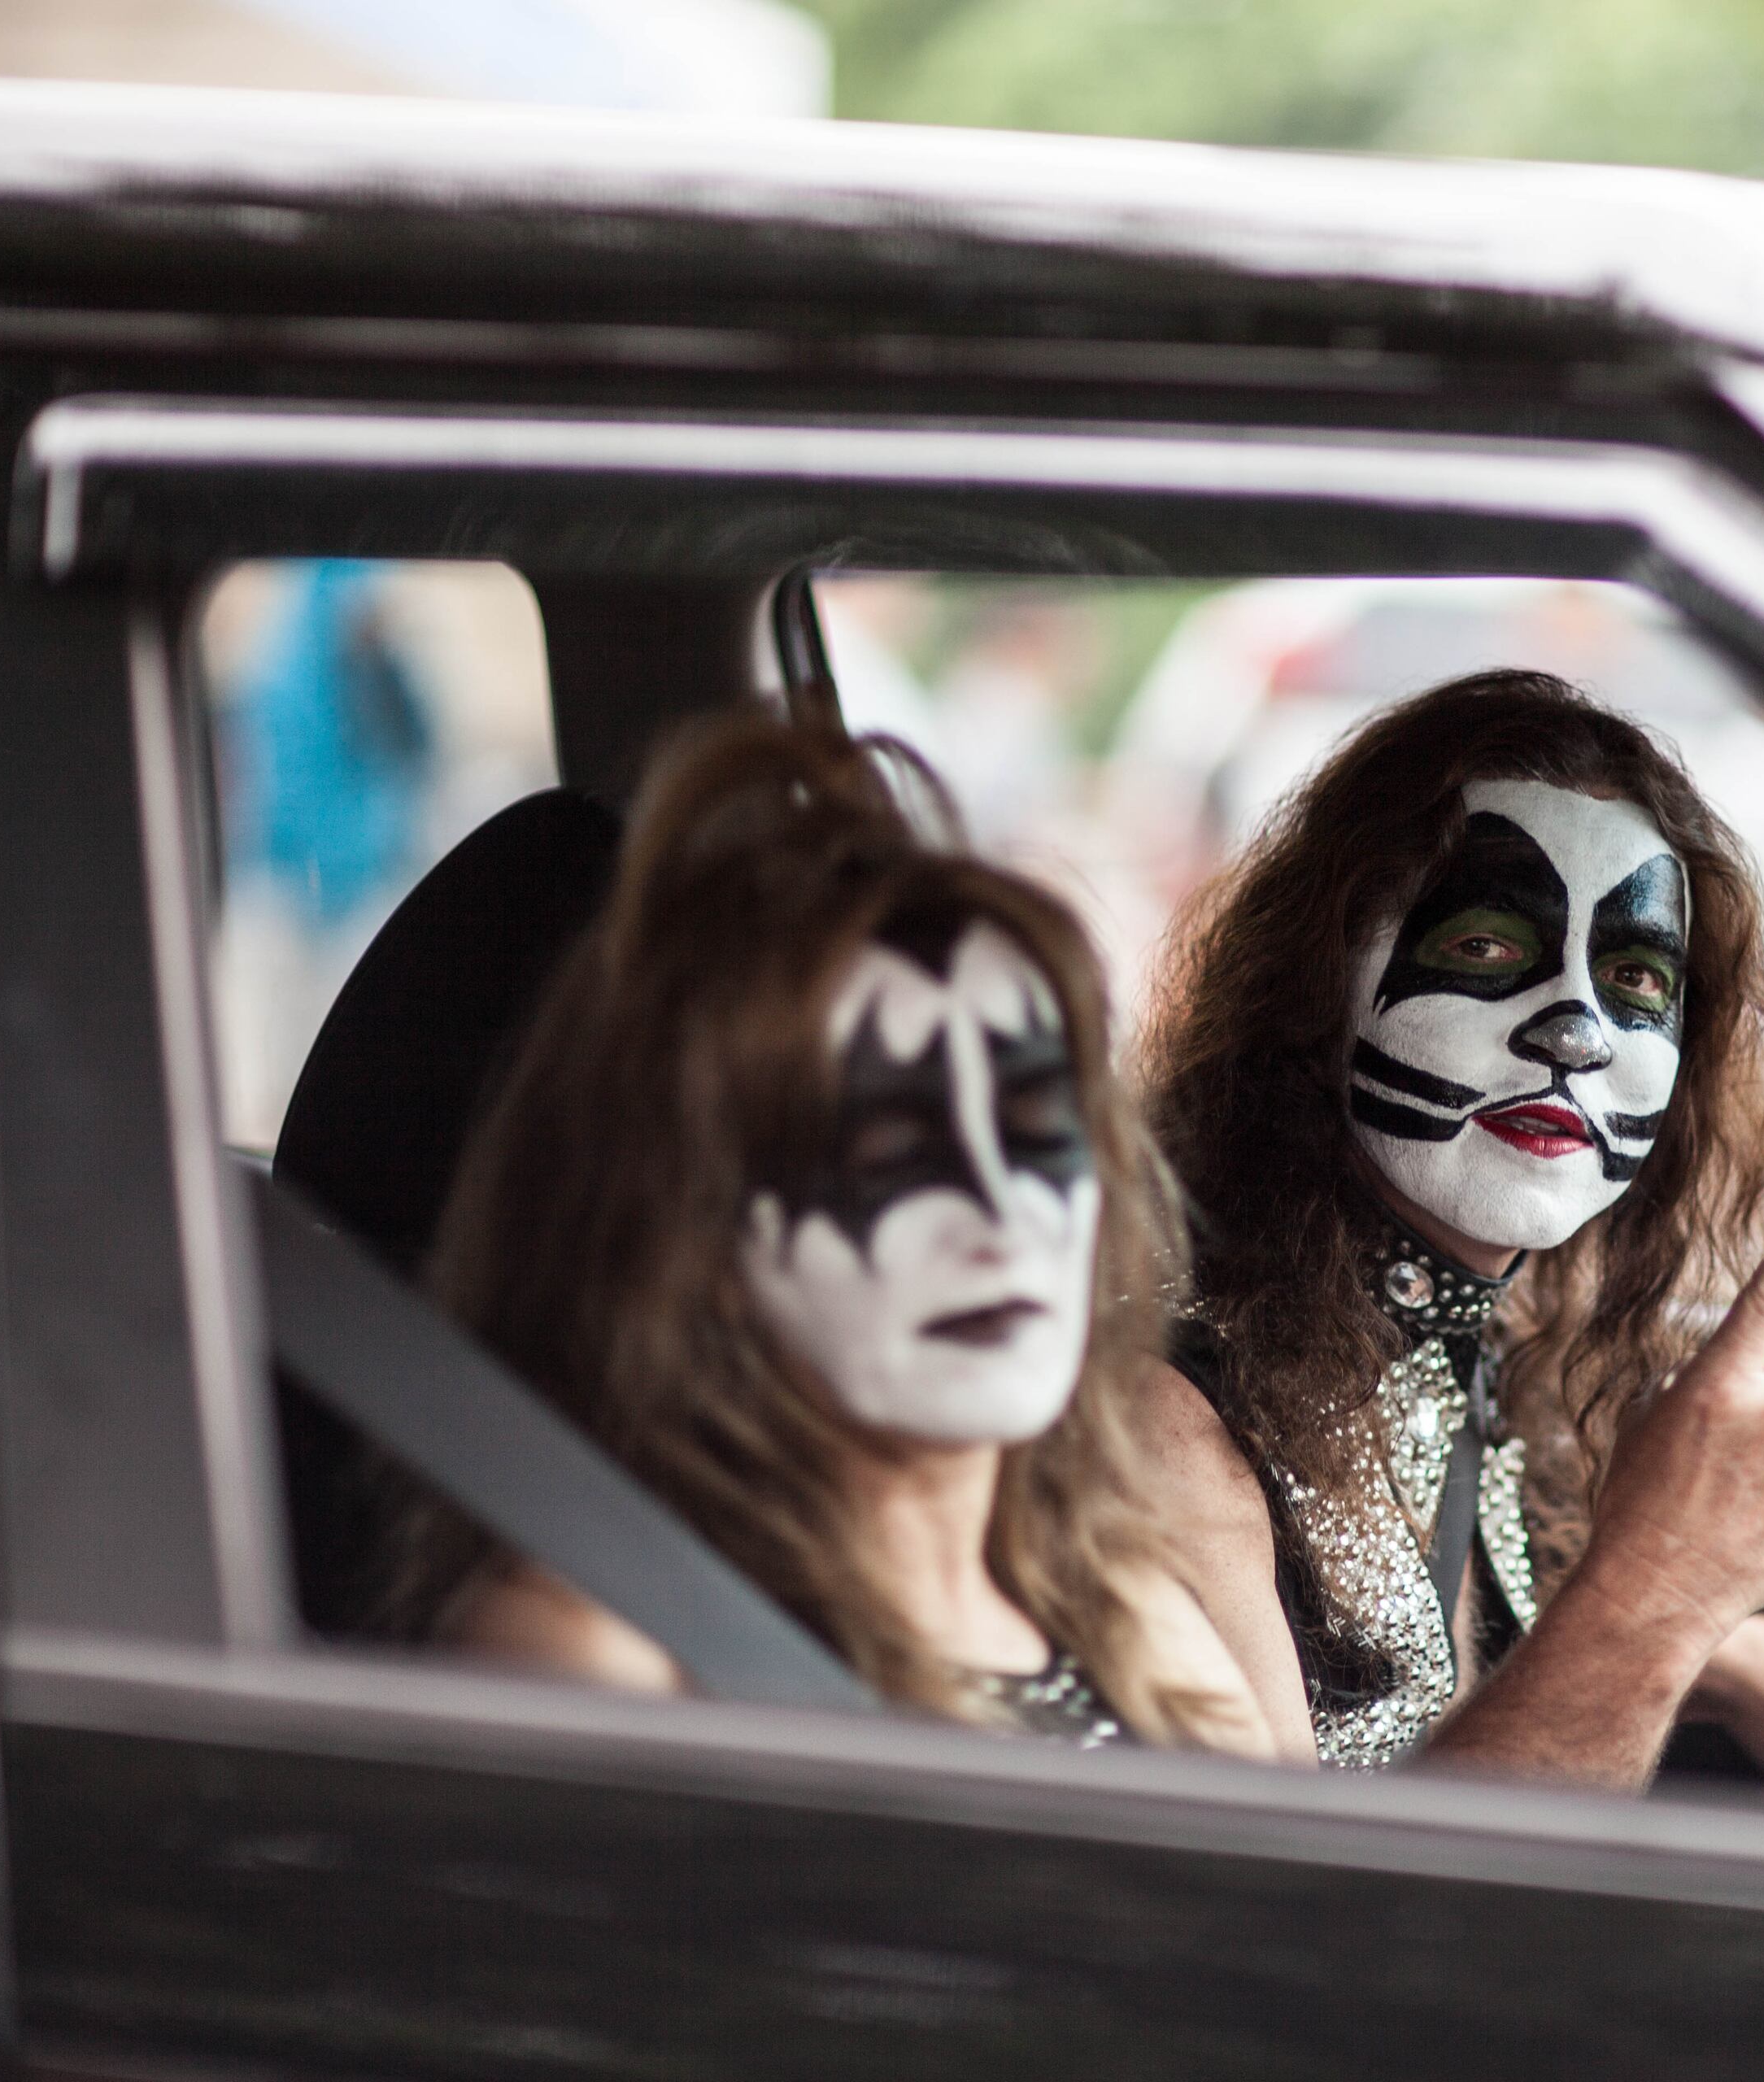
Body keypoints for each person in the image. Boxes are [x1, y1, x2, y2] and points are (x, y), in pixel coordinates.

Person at [1127, 670, 1764, 1797]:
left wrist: (1748, 1660)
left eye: (1633, 977)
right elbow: (1315, 1928)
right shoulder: (1166, 1424)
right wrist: (1665, 1592)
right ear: (1318, 989)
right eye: (1484, 947)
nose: (1575, 1031)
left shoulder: (1509, 1333)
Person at [382, 712, 1273, 1754]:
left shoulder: (1124, 1605)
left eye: (1037, 1131)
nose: (1000, 1211)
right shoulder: (600, 1653)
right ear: (698, 1232)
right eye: (893, 1150)